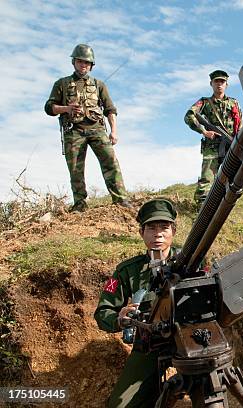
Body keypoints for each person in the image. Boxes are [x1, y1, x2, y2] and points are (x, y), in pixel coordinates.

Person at [94, 199, 179, 407]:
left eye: (164, 227)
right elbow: (103, 311)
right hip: (148, 343)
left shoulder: (192, 260)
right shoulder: (127, 270)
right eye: (151, 228)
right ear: (141, 232)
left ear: (173, 231)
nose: (158, 234)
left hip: (188, 339)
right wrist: (120, 318)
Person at [44, 44, 131, 212]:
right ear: (74, 62)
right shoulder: (61, 84)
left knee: (111, 162)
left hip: (97, 128)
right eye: (80, 61)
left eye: (87, 62)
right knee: (76, 169)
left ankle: (121, 200)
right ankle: (79, 203)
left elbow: (110, 110)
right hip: (73, 130)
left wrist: (114, 131)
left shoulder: (99, 85)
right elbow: (49, 108)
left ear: (91, 65)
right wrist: (66, 109)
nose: (83, 65)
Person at [184, 70, 243, 204]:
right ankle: (200, 210)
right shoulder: (204, 102)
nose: (219, 84)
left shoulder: (234, 103)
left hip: (231, 146)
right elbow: (189, 116)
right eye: (216, 81)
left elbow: (240, 125)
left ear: (226, 85)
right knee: (207, 181)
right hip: (212, 147)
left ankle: (221, 207)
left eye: (222, 82)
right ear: (211, 84)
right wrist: (204, 131)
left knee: (232, 180)